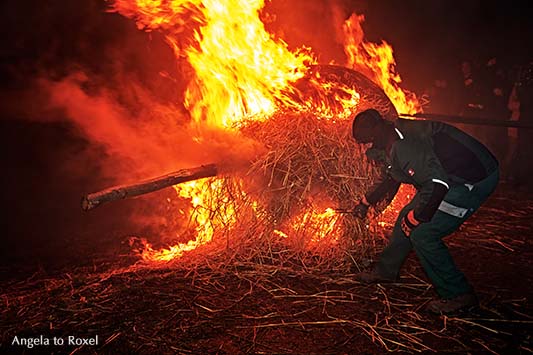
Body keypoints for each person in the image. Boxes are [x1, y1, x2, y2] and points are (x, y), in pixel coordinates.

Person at [351, 109, 499, 314]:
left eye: (365, 142)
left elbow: (438, 185)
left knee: (422, 233)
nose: (365, 148)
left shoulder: (405, 146)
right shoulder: (393, 135)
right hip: (443, 178)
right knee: (406, 216)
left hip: (470, 179)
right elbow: (393, 175)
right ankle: (386, 271)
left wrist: (418, 217)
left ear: (375, 132)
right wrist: (366, 201)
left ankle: (458, 295)